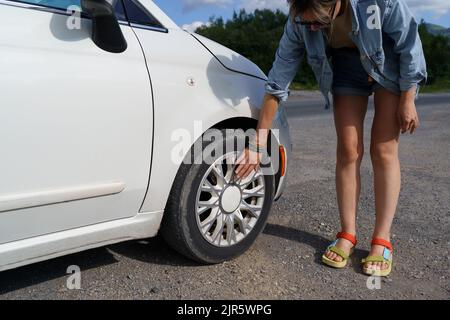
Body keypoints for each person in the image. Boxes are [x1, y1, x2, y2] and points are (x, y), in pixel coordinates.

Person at [234, 0, 427, 277]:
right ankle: (347, 233)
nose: (312, 27)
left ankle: (382, 239)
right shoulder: (299, 19)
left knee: (382, 150)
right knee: (348, 150)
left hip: (389, 62)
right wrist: (256, 143)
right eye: (306, 22)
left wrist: (408, 96)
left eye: (319, 22)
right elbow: (278, 81)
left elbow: (409, 41)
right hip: (347, 65)